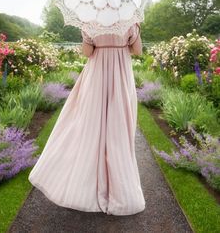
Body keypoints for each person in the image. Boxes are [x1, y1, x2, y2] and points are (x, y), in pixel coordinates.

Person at [28, 22, 146, 216]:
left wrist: (90, 38)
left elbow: (87, 53)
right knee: (118, 129)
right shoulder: (130, 22)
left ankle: (85, 182)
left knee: (91, 124)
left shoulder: (90, 23)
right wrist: (134, 34)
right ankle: (121, 191)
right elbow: (138, 51)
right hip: (121, 75)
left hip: (96, 76)